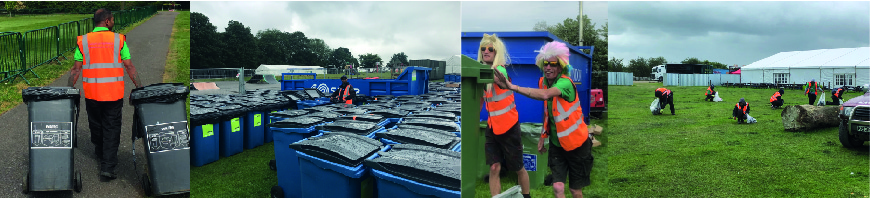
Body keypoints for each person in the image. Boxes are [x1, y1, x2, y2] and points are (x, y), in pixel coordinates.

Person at [492, 41, 592, 198]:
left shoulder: (565, 83)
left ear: (561, 66)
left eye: (553, 64)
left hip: (578, 145)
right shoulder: (543, 83)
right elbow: (548, 113)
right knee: (558, 187)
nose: (548, 67)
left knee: (575, 191)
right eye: (545, 64)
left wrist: (513, 87)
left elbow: (545, 96)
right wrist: (542, 137)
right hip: (557, 145)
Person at [67, 8, 143, 181]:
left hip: (92, 93)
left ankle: (101, 152)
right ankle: (107, 166)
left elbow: (76, 69)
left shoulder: (84, 41)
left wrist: (68, 90)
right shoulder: (118, 40)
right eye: (113, 19)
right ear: (107, 21)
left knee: (96, 124)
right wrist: (140, 86)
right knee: (112, 127)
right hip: (113, 94)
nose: (113, 22)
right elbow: (129, 66)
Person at [476, 34, 530, 198]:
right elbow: (480, 101)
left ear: (496, 52)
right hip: (492, 128)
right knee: (494, 167)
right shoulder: (480, 73)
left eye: (490, 49)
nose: (486, 51)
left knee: (518, 167)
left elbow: (496, 78)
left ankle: (527, 196)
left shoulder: (499, 71)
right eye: (483, 48)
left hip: (509, 127)